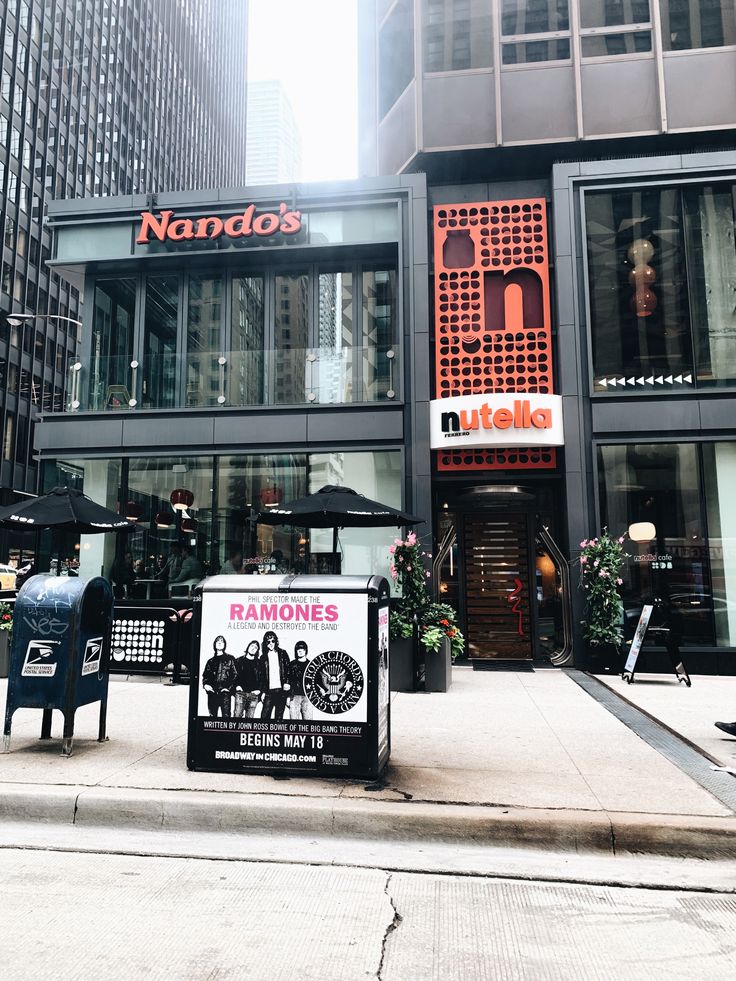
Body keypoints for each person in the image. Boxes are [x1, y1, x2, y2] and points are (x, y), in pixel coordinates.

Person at [201, 635, 238, 717]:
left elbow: (235, 675)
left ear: (225, 645)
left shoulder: (230, 659)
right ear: (214, 644)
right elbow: (206, 676)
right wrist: (205, 685)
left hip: (225, 693)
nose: (220, 643)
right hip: (212, 693)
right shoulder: (210, 661)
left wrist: (228, 688)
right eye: (218, 641)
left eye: (222, 641)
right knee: (212, 716)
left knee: (226, 716)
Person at [259, 630, 291, 720]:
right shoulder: (263, 657)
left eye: (272, 641)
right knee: (264, 717)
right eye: (268, 642)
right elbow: (262, 677)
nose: (270, 643)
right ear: (265, 643)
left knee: (279, 718)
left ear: (276, 641)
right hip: (269, 691)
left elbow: (288, 669)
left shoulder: (282, 653)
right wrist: (263, 692)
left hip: (281, 690)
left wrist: (287, 682)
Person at [234, 640, 264, 718]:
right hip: (240, 693)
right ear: (248, 647)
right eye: (252, 646)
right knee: (237, 717)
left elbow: (263, 678)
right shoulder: (238, 661)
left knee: (249, 720)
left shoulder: (259, 663)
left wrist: (259, 690)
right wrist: (236, 686)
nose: (253, 648)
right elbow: (233, 676)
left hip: (253, 695)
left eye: (256, 647)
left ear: (257, 651)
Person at [288, 640, 312, 720]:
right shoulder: (292, 664)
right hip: (294, 696)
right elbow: (288, 680)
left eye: (302, 649)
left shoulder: (311, 665)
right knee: (294, 723)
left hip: (307, 697)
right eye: (298, 649)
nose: (300, 651)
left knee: (308, 723)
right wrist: (288, 697)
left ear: (306, 651)